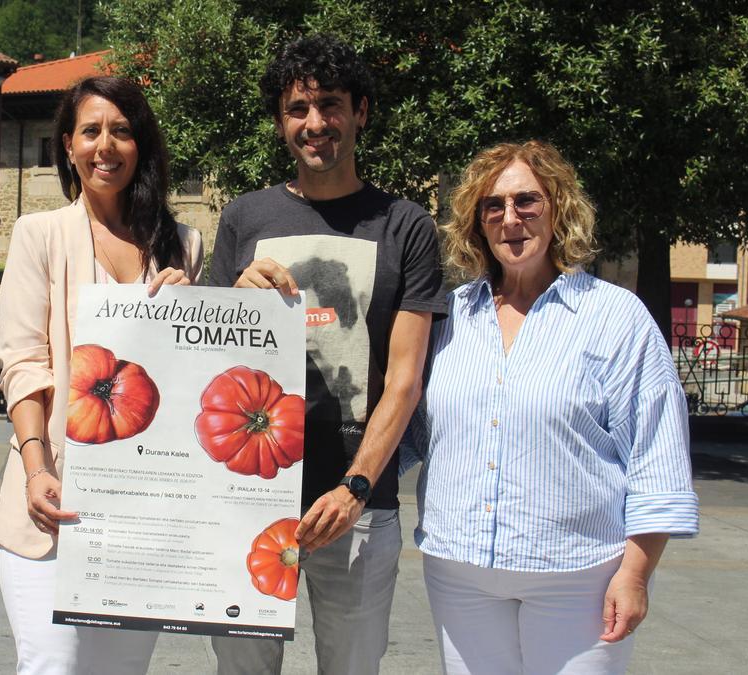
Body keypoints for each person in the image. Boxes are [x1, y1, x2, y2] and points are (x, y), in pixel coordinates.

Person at [207, 34, 446, 674]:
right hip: (247, 496)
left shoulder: (405, 225)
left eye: (331, 106)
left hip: (356, 506)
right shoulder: (243, 219)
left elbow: (404, 379)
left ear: (361, 111)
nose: (315, 124)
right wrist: (231, 295)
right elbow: (205, 361)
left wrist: (356, 487)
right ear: (281, 121)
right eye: (297, 110)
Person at [414, 140, 699, 673]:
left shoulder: (615, 318)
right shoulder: (447, 317)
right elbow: (408, 427)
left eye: (527, 201)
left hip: (580, 578)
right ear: (477, 222)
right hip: (460, 573)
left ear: (558, 208)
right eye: (492, 206)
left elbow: (656, 455)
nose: (510, 219)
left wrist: (634, 574)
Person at [0, 76, 203, 674]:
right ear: (67, 146)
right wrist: (36, 468)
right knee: (50, 667)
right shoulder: (39, 234)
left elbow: (188, 382)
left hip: (141, 512)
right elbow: (23, 363)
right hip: (51, 499)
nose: (105, 146)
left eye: (122, 131)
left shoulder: (183, 246)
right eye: (91, 131)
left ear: (142, 146)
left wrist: (192, 311)